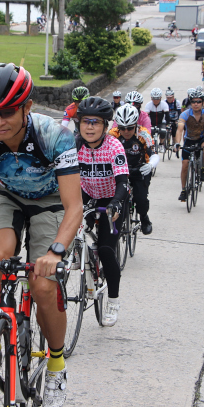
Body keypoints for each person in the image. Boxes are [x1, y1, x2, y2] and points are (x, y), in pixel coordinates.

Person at [0, 63, 82, 407]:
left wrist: (56, 252)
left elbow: (74, 207)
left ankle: (56, 365)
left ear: (27, 106)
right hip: (8, 196)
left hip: (51, 202)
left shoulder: (55, 135)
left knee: (42, 284)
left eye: (7, 111)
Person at [75, 97, 128, 326]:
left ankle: (113, 300)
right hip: (87, 195)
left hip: (112, 199)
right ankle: (80, 259)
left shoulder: (114, 146)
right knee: (70, 232)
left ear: (106, 126)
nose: (89, 127)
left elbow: (123, 181)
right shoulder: (75, 145)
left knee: (106, 249)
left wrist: (116, 202)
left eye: (95, 122)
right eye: (85, 121)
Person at [110, 104, 158, 235]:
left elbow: (154, 154)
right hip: (120, 171)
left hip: (139, 169)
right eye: (122, 128)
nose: (126, 131)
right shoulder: (112, 135)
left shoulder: (143, 134)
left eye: (130, 128)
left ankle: (144, 217)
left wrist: (150, 165)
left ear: (136, 124)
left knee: (141, 198)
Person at [174, 88, 204, 201]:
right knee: (185, 164)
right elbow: (179, 130)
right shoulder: (185, 114)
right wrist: (177, 143)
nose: (196, 104)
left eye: (198, 102)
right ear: (190, 103)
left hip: (202, 139)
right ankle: (183, 189)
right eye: (193, 102)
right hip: (189, 139)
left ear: (202, 102)